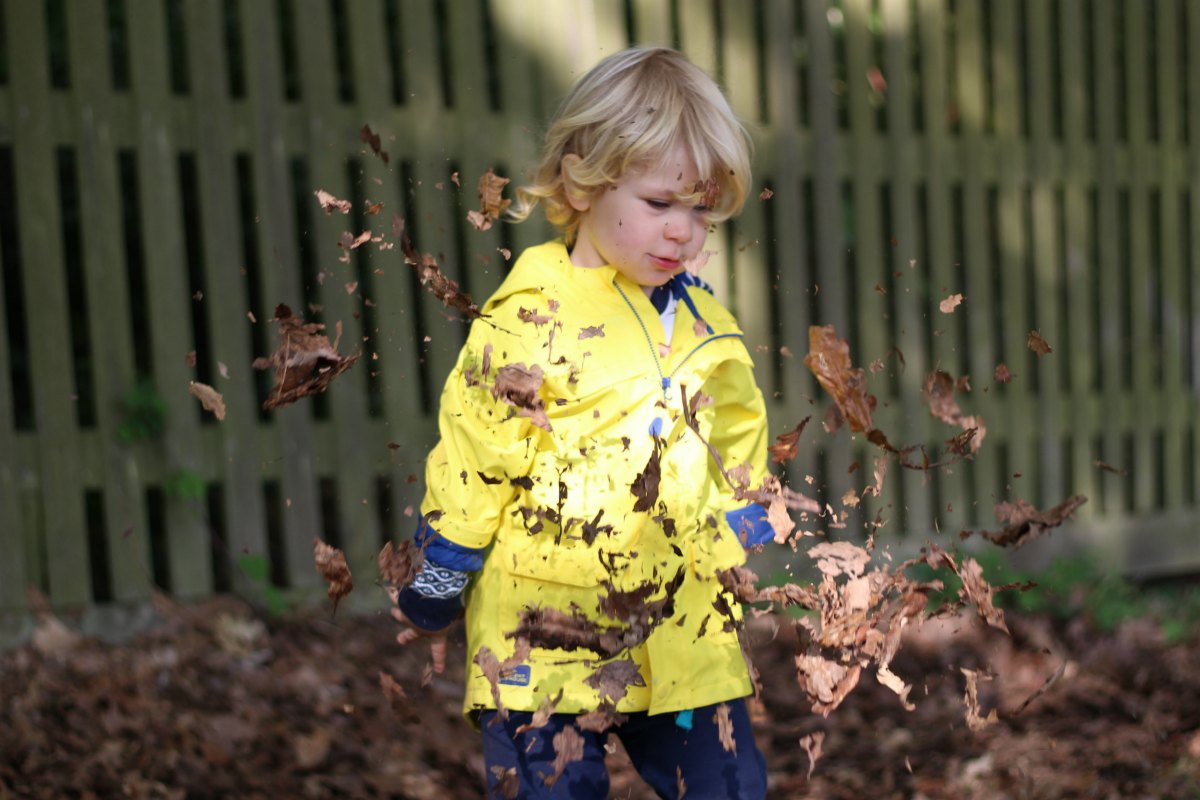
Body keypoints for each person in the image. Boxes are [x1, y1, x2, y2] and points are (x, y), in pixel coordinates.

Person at [392, 46, 775, 799]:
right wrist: (443, 568)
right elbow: (479, 451)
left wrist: (747, 517)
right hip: (545, 637)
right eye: (661, 204)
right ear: (581, 182)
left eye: (701, 210)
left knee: (730, 786)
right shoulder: (531, 319)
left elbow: (736, 430)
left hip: (680, 629)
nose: (683, 232)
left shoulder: (707, 322)